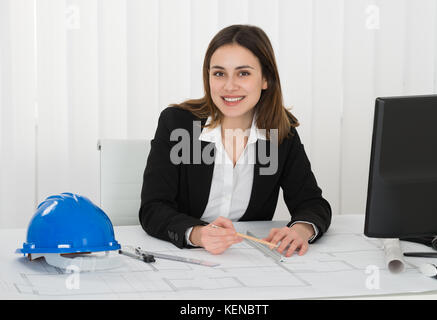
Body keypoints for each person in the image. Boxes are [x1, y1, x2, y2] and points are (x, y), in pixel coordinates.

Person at [139, 24, 331, 257]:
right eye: (219, 73)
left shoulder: (281, 133)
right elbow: (153, 208)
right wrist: (198, 235)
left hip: (247, 258)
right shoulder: (177, 124)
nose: (229, 86)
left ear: (265, 79)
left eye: (243, 73)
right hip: (185, 256)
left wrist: (300, 230)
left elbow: (312, 203)